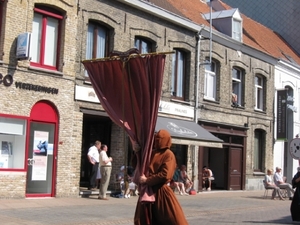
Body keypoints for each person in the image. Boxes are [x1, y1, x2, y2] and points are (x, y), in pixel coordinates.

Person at [134, 129, 188, 225]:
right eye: (156, 138)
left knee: (172, 219)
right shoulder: (151, 153)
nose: (157, 141)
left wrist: (147, 180)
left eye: (160, 139)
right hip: (148, 191)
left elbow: (165, 175)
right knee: (143, 219)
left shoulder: (168, 154)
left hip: (161, 192)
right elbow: (140, 165)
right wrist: (137, 152)